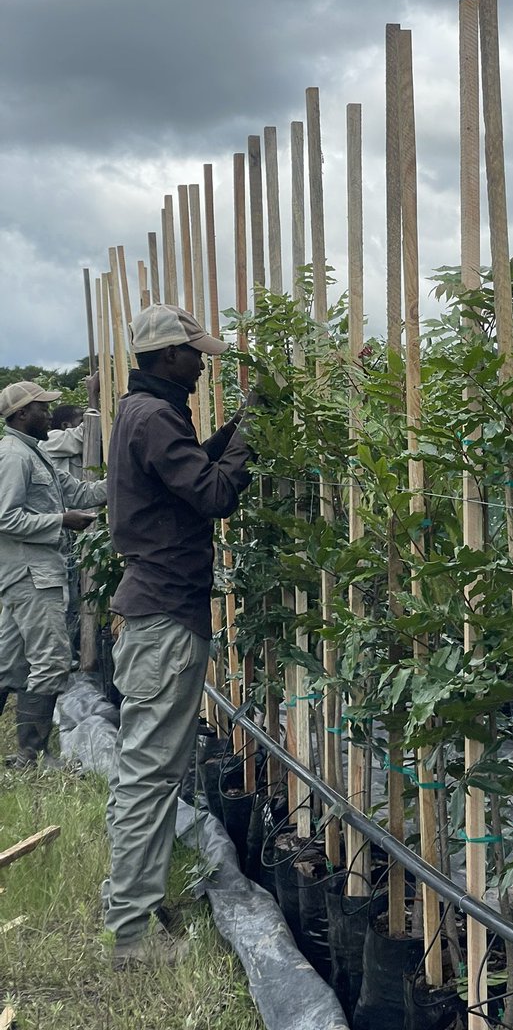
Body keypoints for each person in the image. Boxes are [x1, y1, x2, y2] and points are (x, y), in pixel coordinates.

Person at [104, 303, 254, 970]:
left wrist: (234, 427)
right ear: (168, 356)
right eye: (195, 354)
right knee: (149, 775)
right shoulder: (157, 416)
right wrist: (250, 432)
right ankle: (132, 934)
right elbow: (216, 494)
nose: (202, 363)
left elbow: (191, 473)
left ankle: (130, 903)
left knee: (148, 770)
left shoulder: (145, 414)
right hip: (164, 617)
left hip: (157, 612)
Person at [0, 381, 107, 766]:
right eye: (42, 408)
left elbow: (79, 491)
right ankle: (31, 753)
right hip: (32, 574)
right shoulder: (14, 457)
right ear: (22, 414)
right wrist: (61, 520)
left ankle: (27, 751)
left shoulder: (35, 453)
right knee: (52, 659)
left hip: (28, 573)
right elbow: (5, 517)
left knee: (8, 662)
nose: (50, 414)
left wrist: (130, 480)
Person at [43, 373, 102, 664]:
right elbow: (85, 435)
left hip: (73, 527)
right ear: (65, 426)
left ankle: (68, 655)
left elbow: (82, 489)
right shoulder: (52, 441)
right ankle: (62, 659)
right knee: (64, 598)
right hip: (59, 532)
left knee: (75, 595)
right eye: (80, 419)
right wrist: (93, 395)